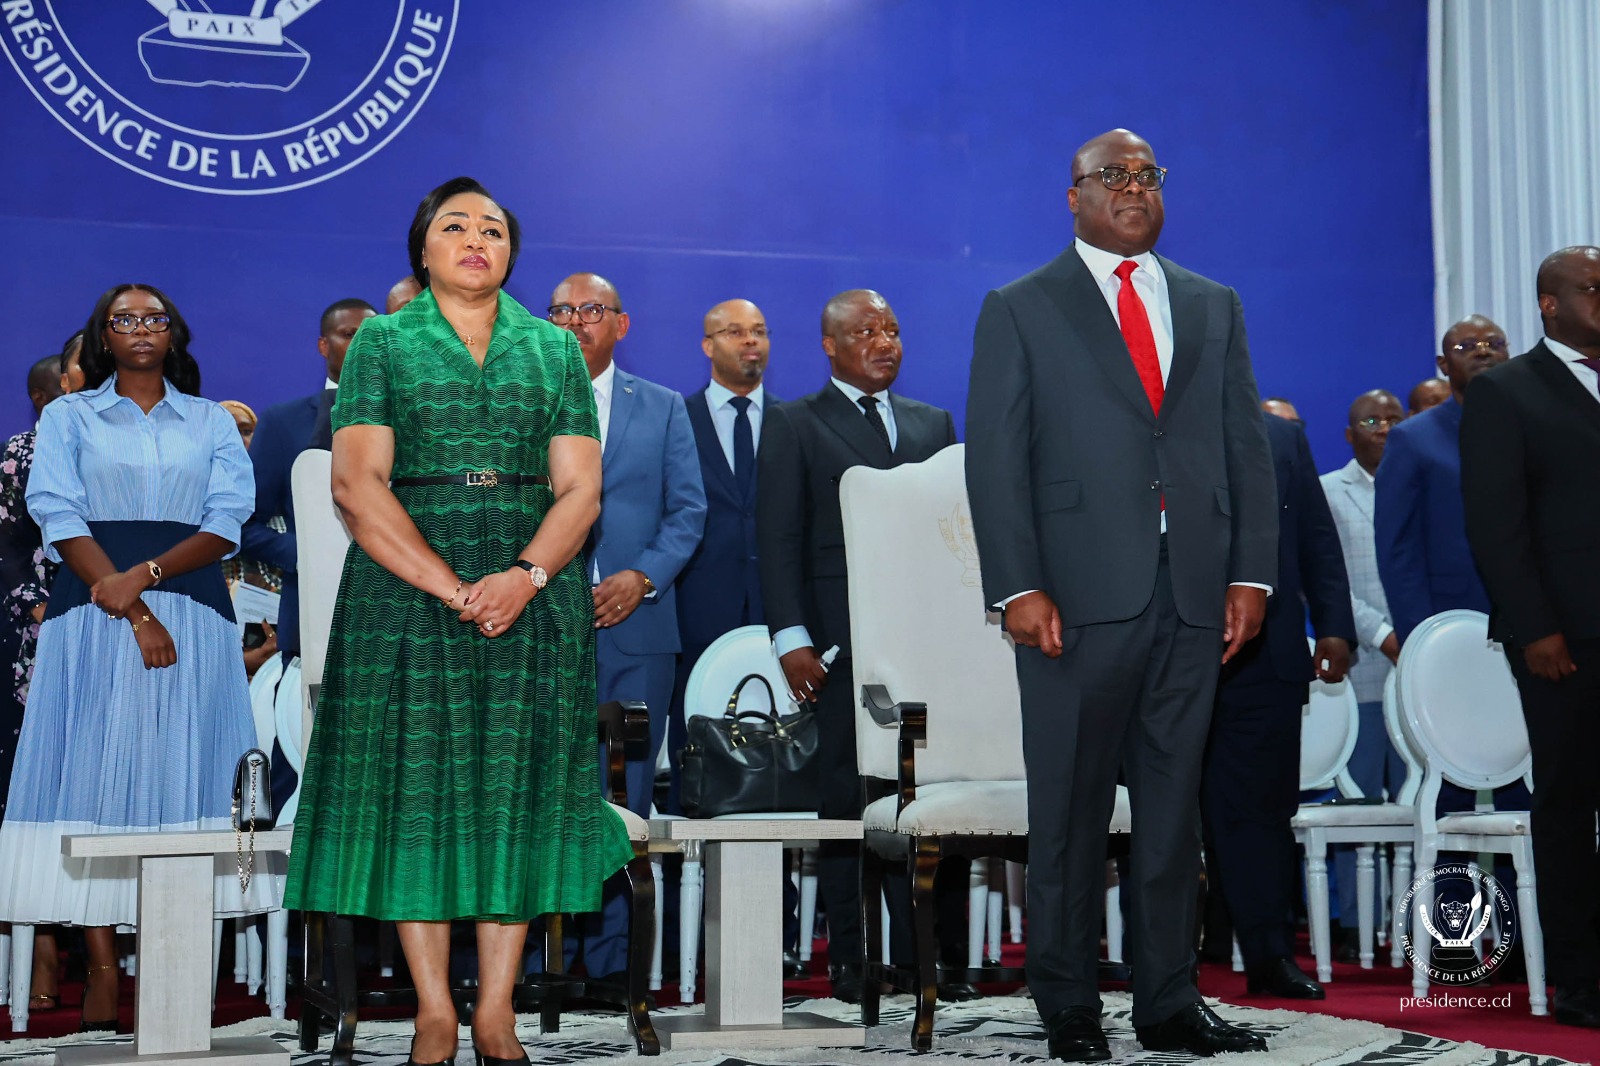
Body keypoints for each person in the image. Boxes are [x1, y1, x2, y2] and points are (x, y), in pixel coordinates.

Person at [284, 178, 633, 1066]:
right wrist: (451, 588)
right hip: (404, 590)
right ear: (423, 248)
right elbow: (355, 485)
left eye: (494, 230)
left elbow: (581, 489)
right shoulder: (384, 341)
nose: (477, 239)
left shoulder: (553, 349)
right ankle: (436, 1011)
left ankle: (496, 1012)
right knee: (418, 796)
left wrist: (523, 577)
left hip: (533, 592)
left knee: (516, 794)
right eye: (456, 226)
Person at [965, 129, 1276, 1059]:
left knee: (1175, 812)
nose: (1133, 188)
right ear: (1074, 196)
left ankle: (1168, 1000)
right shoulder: (1021, 306)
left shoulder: (1212, 303)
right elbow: (997, 461)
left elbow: (1244, 445)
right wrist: (1018, 585)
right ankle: (1066, 1000)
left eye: (1147, 175)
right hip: (1072, 599)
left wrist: (1250, 572)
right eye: (1113, 176)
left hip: (1194, 594)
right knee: (1070, 811)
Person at [0, 283, 275, 1032]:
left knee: (183, 780)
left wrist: (145, 576)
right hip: (93, 616)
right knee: (93, 781)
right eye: (125, 319)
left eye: (155, 318)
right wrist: (133, 606)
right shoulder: (68, 417)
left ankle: (170, 964)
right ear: (103, 337)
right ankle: (97, 963)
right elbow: (57, 512)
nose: (141, 329)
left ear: (173, 334)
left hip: (194, 614)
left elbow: (227, 520)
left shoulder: (209, 421)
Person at [758, 288, 959, 1003]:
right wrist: (792, 639)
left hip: (927, 642)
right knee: (847, 799)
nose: (885, 342)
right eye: (867, 331)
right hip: (841, 645)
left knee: (928, 799)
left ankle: (927, 959)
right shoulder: (795, 422)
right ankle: (852, 957)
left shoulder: (933, 423)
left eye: (893, 330)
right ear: (830, 345)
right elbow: (778, 539)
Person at [545, 271, 704, 983]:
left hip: (638, 629)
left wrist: (641, 577)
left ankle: (613, 965)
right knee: (544, 793)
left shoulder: (663, 407)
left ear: (621, 324)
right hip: (541, 624)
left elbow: (688, 511)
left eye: (591, 309)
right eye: (561, 310)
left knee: (625, 798)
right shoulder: (524, 400)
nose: (576, 321)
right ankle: (541, 959)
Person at [1460, 245, 1600, 1029]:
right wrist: (1536, 627)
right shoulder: (1507, 391)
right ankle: (1579, 978)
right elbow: (1496, 525)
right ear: (1549, 304)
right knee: (1570, 805)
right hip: (1563, 642)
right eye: (1592, 289)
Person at [1202, 413, 1353, 1001]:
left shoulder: (1283, 436)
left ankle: (1270, 956)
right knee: (1161, 814)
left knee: (1264, 814)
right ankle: (1160, 959)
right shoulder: (1147, 426)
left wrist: (1334, 624)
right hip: (1169, 656)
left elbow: (1315, 533)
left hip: (1269, 656)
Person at [670, 299, 775, 809]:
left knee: (779, 747)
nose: (750, 340)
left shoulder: (794, 421)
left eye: (759, 331)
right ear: (707, 346)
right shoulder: (675, 418)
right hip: (696, 612)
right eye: (735, 332)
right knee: (695, 755)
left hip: (776, 616)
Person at [1320, 389, 1408, 959]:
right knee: (1361, 804)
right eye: (1371, 420)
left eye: (1394, 418)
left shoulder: (1421, 482)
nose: (1384, 427)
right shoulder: (1329, 491)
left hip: (1425, 674)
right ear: (1349, 434)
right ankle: (1357, 926)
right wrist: (1385, 635)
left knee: (1421, 805)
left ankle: (1418, 924)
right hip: (1367, 670)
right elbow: (1331, 583)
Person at [244, 298, 376, 668]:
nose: (361, 345)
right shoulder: (283, 423)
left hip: (402, 613)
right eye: (349, 334)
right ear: (323, 345)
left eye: (370, 336)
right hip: (313, 615)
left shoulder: (414, 417)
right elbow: (244, 524)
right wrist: (307, 555)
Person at [0, 354, 67, 1012]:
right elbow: (11, 547)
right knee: (36, 791)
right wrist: (40, 607)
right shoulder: (22, 453)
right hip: (37, 637)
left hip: (107, 622)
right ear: (43, 396)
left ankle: (99, 939)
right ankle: (41, 942)